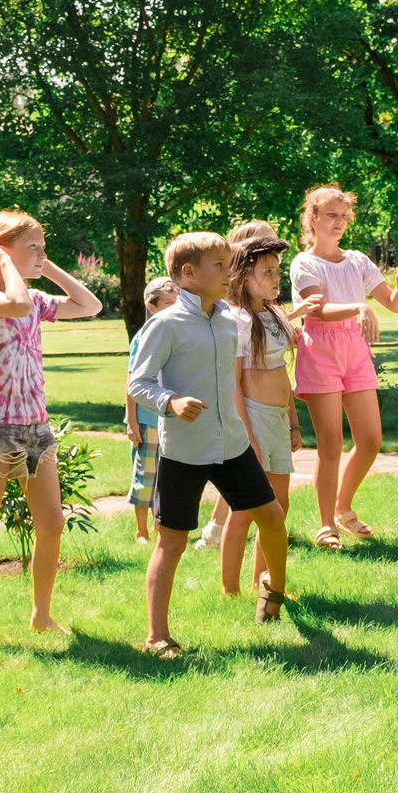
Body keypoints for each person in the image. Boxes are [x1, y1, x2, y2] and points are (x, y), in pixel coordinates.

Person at [126, 232, 292, 654]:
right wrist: (171, 401)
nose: (228, 271)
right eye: (219, 265)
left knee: (272, 518)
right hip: (185, 450)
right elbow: (138, 383)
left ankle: (272, 597)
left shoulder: (225, 319)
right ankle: (156, 636)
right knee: (172, 541)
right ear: (188, 274)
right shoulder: (165, 325)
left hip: (231, 444)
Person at [0, 210, 104, 656]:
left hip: (35, 425)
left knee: (52, 522)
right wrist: (8, 266)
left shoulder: (33, 296)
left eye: (42, 246)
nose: (39, 253)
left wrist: (45, 267)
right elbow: (13, 304)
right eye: (31, 246)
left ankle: (41, 614)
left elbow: (90, 306)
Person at [290, 185, 398, 549]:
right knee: (330, 444)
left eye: (344, 216)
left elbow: (393, 304)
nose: (340, 222)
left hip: (356, 353)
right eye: (331, 215)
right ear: (312, 218)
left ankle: (343, 508)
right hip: (321, 352)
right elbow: (317, 309)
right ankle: (325, 524)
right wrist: (358, 308)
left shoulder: (359, 261)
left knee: (370, 440)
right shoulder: (304, 263)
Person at [209, 222, 300, 614]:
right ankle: (230, 590)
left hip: (279, 417)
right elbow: (234, 384)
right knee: (245, 508)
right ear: (244, 275)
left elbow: (283, 374)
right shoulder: (239, 321)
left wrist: (294, 421)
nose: (276, 278)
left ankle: (265, 581)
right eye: (268, 271)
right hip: (255, 421)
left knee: (278, 508)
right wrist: (247, 436)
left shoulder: (275, 314)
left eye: (278, 270)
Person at [123, 275, 178, 543]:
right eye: (167, 303)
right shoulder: (144, 336)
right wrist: (131, 420)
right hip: (147, 417)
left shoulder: (179, 331)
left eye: (176, 302)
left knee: (167, 476)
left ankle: (161, 527)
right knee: (146, 473)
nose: (173, 307)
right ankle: (141, 529)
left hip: (171, 417)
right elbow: (133, 380)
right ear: (151, 306)